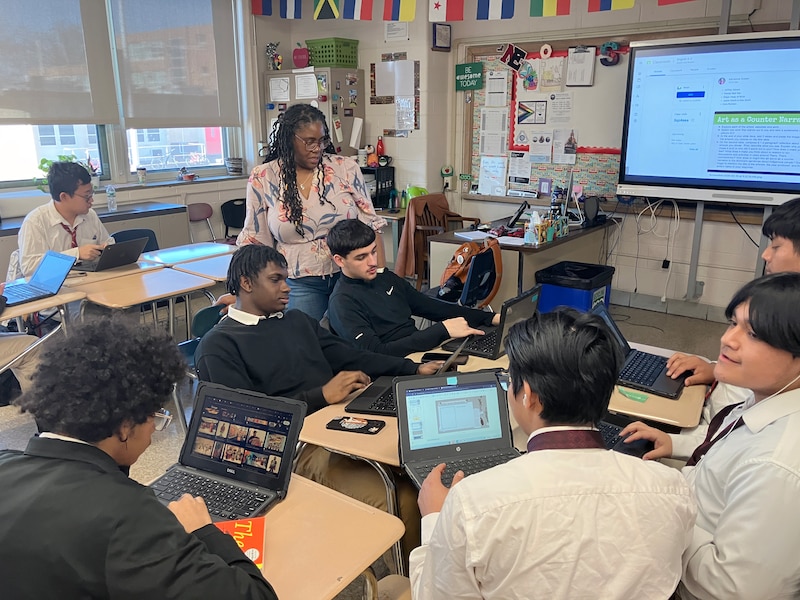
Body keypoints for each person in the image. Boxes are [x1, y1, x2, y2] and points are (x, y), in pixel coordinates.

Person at [409, 308, 696, 599]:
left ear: (528, 395)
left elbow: (435, 594)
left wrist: (434, 518)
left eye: (510, 380)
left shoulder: (473, 503)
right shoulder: (672, 488)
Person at [195, 244, 441, 564]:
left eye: (286, 278)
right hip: (293, 451)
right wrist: (320, 396)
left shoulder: (296, 320)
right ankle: (418, 582)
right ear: (246, 283)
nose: (287, 287)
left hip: (338, 425)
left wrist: (412, 369)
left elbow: (352, 355)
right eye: (276, 280)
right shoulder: (219, 345)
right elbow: (245, 427)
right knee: (405, 499)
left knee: (420, 474)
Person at [0, 316, 277, 599]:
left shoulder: (4, 462)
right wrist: (204, 530)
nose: (153, 431)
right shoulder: (130, 518)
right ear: (124, 427)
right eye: (154, 416)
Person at [622, 273, 800, 599]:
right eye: (733, 323)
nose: (727, 340)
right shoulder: (767, 400)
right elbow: (721, 466)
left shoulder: (777, 467)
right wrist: (673, 447)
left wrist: (664, 514)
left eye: (755, 334)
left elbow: (730, 590)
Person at [664, 196, 800, 455]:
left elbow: (742, 434)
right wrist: (716, 370)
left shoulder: (775, 453)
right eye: (733, 324)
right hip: (714, 429)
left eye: (776, 245)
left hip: (718, 443)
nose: (765, 254)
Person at [236, 103, 386, 321]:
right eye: (309, 142)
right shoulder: (264, 177)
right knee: (308, 344)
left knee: (353, 344)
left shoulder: (345, 168)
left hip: (352, 276)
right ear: (289, 139)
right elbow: (255, 241)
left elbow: (372, 225)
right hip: (299, 283)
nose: (317, 148)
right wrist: (242, 294)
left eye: (322, 141)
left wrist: (381, 279)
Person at [326, 219, 500, 356]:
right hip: (391, 371)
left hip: (418, 355)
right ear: (340, 260)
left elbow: (432, 307)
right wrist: (440, 331)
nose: (372, 262)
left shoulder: (385, 278)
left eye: (373, 251)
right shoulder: (342, 303)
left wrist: (490, 318)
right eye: (361, 257)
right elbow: (376, 354)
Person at [9, 161, 111, 279]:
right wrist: (76, 254)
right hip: (51, 288)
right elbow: (29, 267)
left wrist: (107, 249)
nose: (91, 201)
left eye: (92, 194)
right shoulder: (36, 221)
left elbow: (107, 242)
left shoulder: (90, 215)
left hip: (88, 282)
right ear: (64, 197)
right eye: (86, 196)